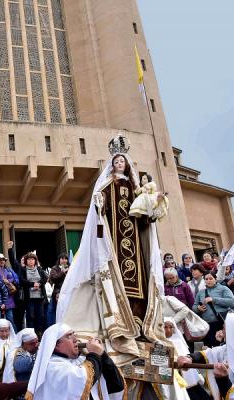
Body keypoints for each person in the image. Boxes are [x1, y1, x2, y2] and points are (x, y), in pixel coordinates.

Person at [57, 139, 167, 363]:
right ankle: (121, 328)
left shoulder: (137, 190)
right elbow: (101, 209)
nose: (119, 164)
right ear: (112, 164)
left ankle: (142, 325)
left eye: (122, 161)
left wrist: (154, 205)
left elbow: (145, 216)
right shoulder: (108, 185)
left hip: (134, 243)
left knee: (139, 278)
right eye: (116, 161)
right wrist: (99, 204)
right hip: (115, 243)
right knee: (119, 274)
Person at [26, 323, 125, 399]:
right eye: (69, 336)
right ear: (55, 344)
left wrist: (102, 355)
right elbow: (82, 379)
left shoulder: (80, 361)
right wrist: (94, 355)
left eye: (74, 334)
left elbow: (115, 384)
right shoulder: (52, 367)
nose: (75, 339)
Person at [163, 318, 210, 400]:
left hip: (186, 376)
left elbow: (186, 357)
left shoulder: (178, 341)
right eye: (165, 327)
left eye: (171, 327)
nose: (168, 330)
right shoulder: (160, 343)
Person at [193, 272, 234, 347]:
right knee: (212, 347)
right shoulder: (201, 293)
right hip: (208, 325)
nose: (208, 281)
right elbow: (194, 306)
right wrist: (198, 308)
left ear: (215, 279)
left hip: (222, 323)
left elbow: (232, 302)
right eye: (206, 279)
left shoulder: (223, 289)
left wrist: (214, 299)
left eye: (210, 278)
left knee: (225, 345)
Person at [16, 252, 47, 336]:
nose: (31, 261)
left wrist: (39, 283)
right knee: (30, 316)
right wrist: (33, 284)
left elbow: (45, 278)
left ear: (35, 261)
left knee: (40, 316)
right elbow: (21, 280)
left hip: (39, 297)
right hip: (29, 297)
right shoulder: (23, 269)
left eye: (32, 259)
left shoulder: (39, 269)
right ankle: (31, 334)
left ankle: (39, 333)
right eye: (29, 259)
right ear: (26, 261)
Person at [0, 254, 19, 329]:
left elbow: (15, 280)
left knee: (10, 319)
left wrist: (7, 281)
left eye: (3, 260)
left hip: (8, 298)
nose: (2, 261)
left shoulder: (8, 270)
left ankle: (14, 336)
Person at [47, 253, 69, 326]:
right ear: (59, 260)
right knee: (56, 311)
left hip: (68, 292)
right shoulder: (55, 268)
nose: (64, 260)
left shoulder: (71, 267)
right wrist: (62, 272)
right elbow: (53, 278)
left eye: (65, 259)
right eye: (62, 259)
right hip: (58, 292)